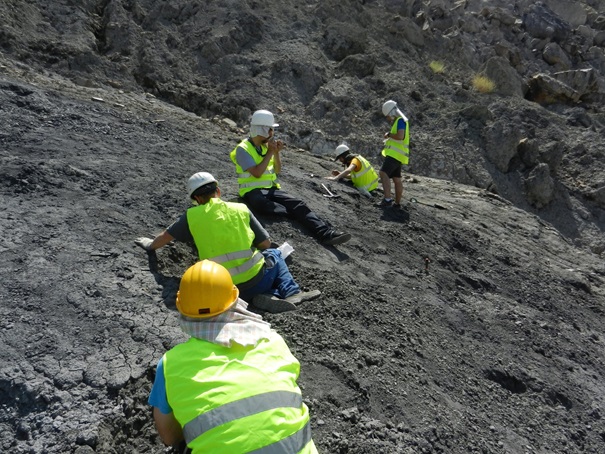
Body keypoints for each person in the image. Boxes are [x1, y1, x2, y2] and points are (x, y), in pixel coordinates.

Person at [148, 260, 319, 453]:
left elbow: (169, 437)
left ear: (182, 307)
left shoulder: (170, 364)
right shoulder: (272, 340)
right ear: (234, 301)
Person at [134, 172, 320, 313]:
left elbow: (165, 237)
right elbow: (265, 243)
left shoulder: (191, 217)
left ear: (196, 198)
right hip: (256, 280)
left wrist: (149, 245)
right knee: (274, 254)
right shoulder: (240, 209)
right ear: (219, 191)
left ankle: (259, 297)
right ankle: (289, 293)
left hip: (223, 290)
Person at [230, 109, 351, 246]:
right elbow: (257, 173)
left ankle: (326, 234)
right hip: (252, 191)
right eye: (270, 130)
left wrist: (276, 153)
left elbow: (277, 170)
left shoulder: (265, 147)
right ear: (261, 130)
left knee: (297, 202)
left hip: (271, 188)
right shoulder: (243, 149)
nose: (272, 133)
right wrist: (271, 151)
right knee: (260, 203)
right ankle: (294, 213)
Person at [377, 100, 410, 209]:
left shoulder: (400, 121)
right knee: (396, 179)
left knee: (383, 173)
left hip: (394, 154)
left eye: (387, 116)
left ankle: (387, 200)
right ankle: (397, 203)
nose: (388, 118)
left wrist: (390, 134)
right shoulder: (401, 121)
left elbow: (400, 136)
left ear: (391, 112)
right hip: (399, 156)